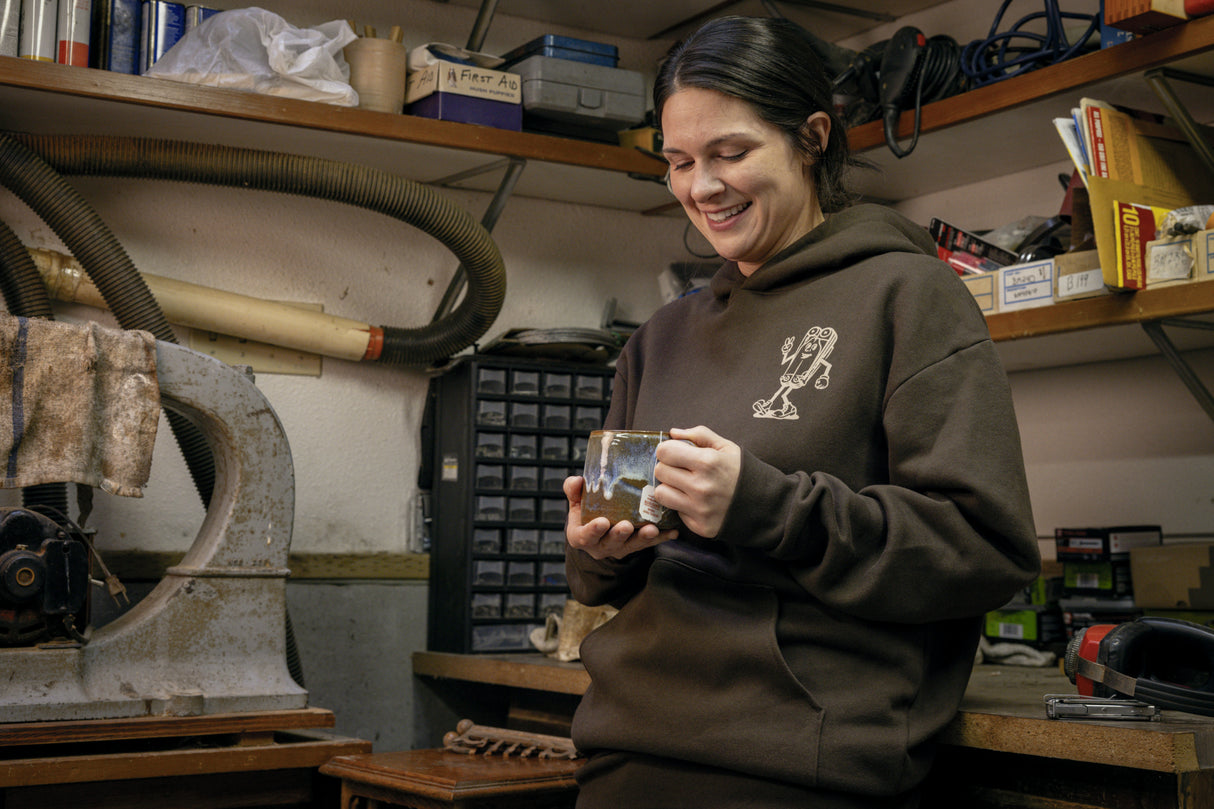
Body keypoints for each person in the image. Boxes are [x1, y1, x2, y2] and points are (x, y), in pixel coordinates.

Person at [562, 15, 1041, 809]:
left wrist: (764, 505)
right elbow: (602, 583)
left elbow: (984, 548)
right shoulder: (661, 338)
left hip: (799, 763)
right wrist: (601, 547)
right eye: (678, 162)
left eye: (731, 153)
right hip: (628, 747)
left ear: (812, 137)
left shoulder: (908, 296)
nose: (701, 187)